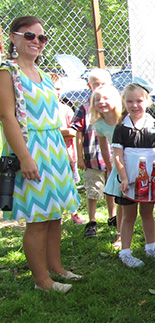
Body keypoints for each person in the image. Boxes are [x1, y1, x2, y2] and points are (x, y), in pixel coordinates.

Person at [0, 16, 80, 292]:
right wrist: (24, 157)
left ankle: (56, 268)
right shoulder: (7, 72)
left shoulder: (44, 75)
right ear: (14, 37)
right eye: (29, 36)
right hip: (30, 148)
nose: (37, 42)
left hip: (53, 149)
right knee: (38, 217)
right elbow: (7, 117)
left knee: (54, 214)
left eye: (42, 37)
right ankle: (41, 281)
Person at [103, 81, 155, 268]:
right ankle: (125, 252)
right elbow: (117, 156)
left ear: (147, 101)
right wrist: (124, 178)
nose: (134, 105)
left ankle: (151, 247)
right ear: (124, 103)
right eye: (129, 101)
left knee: (147, 213)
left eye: (139, 101)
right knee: (128, 215)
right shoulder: (121, 127)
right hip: (128, 180)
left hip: (150, 179)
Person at [71, 68, 117, 239]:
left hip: (112, 157)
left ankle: (112, 216)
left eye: (103, 84)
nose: (99, 87)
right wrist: (80, 157)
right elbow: (78, 133)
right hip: (92, 158)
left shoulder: (114, 109)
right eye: (95, 83)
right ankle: (92, 220)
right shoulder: (84, 108)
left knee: (110, 189)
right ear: (89, 85)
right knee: (93, 190)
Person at [89, 84, 123, 249]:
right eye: (97, 99)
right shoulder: (99, 124)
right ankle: (120, 235)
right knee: (121, 200)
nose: (101, 102)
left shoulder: (124, 118)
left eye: (105, 98)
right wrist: (110, 166)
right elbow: (103, 146)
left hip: (133, 160)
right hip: (117, 163)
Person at [50, 72, 84, 225]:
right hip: (49, 155)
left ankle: (74, 212)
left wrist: (53, 131)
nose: (55, 92)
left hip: (68, 154)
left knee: (70, 185)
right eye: (52, 88)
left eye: (58, 89)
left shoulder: (65, 109)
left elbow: (72, 132)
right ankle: (57, 214)